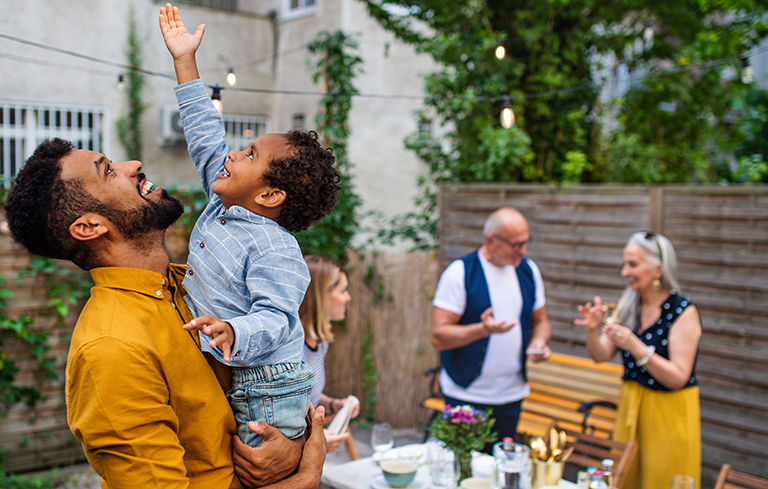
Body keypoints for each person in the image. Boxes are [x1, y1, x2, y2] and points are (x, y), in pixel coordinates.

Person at [4, 139, 327, 487]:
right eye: (109, 171)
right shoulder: (111, 350)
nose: (134, 163)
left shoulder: (193, 287)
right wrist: (305, 476)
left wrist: (293, 445)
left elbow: (270, 375)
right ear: (89, 227)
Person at [159, 4, 340, 448]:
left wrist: (236, 330)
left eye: (251, 155)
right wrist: (185, 60)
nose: (234, 155)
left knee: (263, 470)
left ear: (268, 196)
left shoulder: (274, 248)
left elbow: (278, 318)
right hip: (238, 367)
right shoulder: (224, 201)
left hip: (270, 386)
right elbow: (205, 135)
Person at [575, 231, 701, 489]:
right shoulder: (628, 303)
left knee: (663, 481)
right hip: (631, 405)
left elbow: (679, 377)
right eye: (625, 264)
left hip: (668, 413)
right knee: (626, 479)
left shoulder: (683, 312)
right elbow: (600, 356)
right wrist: (591, 329)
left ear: (658, 269)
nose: (624, 272)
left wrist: (635, 346)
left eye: (633, 264)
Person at [431, 207, 552, 449]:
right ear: (491, 240)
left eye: (526, 243)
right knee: (464, 472)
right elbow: (439, 336)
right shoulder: (460, 272)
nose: (523, 251)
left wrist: (538, 342)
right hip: (466, 397)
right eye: (516, 245)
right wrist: (482, 330)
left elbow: (541, 321)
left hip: (512, 396)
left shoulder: (528, 270)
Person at [299, 255, 360, 453]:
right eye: (343, 290)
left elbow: (306, 394)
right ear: (321, 295)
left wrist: (334, 404)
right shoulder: (290, 346)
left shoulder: (320, 342)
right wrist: (313, 437)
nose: (347, 298)